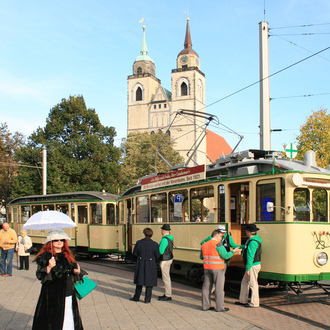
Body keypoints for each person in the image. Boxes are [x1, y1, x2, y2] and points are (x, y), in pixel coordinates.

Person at [32, 229, 85, 330]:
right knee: (54, 319)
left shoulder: (68, 255)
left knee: (69, 315)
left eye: (62, 239)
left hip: (69, 292)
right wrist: (49, 267)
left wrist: (76, 272)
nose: (59, 242)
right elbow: (40, 276)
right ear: (50, 243)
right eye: (56, 240)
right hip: (53, 294)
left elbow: (75, 274)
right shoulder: (45, 257)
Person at [201, 229, 241, 312]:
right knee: (219, 289)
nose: (221, 238)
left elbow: (201, 257)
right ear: (216, 236)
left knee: (206, 287)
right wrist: (234, 251)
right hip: (217, 268)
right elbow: (226, 256)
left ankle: (205, 306)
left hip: (207, 268)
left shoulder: (204, 244)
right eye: (221, 236)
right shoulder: (218, 245)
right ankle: (220, 307)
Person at [130, 227, 160, 303]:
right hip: (150, 263)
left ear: (144, 234)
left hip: (141, 262)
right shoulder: (155, 244)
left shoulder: (139, 243)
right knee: (149, 282)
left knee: (139, 281)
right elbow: (157, 255)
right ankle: (147, 299)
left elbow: (135, 254)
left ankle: (136, 297)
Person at [235, 223, 262, 308]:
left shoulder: (252, 242)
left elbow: (250, 256)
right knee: (245, 282)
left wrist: (247, 268)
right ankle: (243, 300)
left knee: (253, 284)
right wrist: (236, 246)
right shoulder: (253, 240)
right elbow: (246, 247)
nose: (245, 232)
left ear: (249, 232)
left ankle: (254, 303)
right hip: (253, 265)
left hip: (252, 266)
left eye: (246, 231)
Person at [158, 224, 174, 301]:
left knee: (166, 278)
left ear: (163, 231)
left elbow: (161, 251)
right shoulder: (170, 239)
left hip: (165, 260)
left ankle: (168, 295)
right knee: (167, 277)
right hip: (169, 259)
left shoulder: (164, 240)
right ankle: (167, 293)